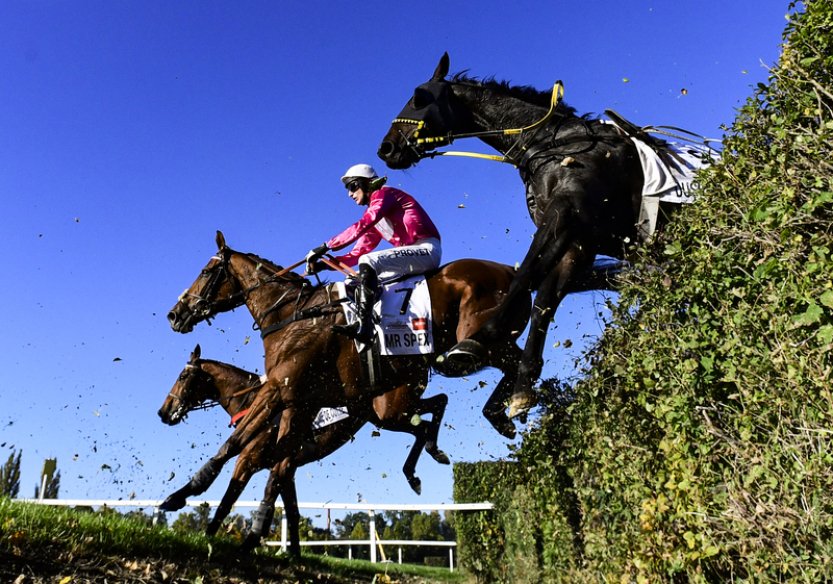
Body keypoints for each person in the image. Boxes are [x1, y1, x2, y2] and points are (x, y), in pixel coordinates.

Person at [305, 163, 442, 345]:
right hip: (410, 254)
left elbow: (362, 225)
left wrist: (326, 246)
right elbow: (357, 253)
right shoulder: (376, 217)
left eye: (352, 186)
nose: (350, 194)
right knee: (353, 280)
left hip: (426, 249)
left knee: (368, 261)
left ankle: (365, 325)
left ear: (367, 183)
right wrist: (325, 264)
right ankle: (381, 328)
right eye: (348, 189)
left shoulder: (384, 194)